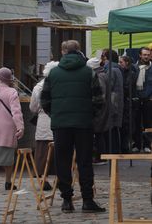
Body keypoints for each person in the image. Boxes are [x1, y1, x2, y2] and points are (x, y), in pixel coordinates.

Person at [41, 40, 105, 213]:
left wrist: (55, 115)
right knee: (84, 161)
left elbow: (44, 100)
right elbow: (99, 100)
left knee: (62, 161)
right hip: (83, 124)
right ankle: (87, 200)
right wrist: (90, 116)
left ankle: (67, 200)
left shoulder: (53, 74)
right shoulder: (88, 73)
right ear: (79, 51)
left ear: (63, 53)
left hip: (61, 124)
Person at [29, 60, 59, 190]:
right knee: (59, 152)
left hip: (43, 121)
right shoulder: (61, 85)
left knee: (42, 152)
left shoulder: (39, 87)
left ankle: (43, 179)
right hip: (59, 121)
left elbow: (33, 107)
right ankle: (60, 178)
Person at [86, 56, 109, 164]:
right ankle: (101, 156)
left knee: (98, 133)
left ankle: (100, 157)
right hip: (103, 108)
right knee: (100, 133)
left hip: (99, 109)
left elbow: (101, 94)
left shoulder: (98, 77)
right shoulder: (103, 74)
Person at [102, 49, 124, 154]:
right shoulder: (117, 68)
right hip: (116, 102)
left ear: (106, 58)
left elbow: (108, 86)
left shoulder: (111, 69)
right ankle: (115, 150)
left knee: (111, 129)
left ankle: (113, 152)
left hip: (112, 103)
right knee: (114, 128)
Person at [133, 47, 152, 153]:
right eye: (144, 54)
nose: (146, 56)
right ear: (140, 55)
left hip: (148, 99)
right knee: (136, 123)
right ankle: (137, 144)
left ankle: (147, 144)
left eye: (148, 54)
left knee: (148, 123)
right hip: (136, 98)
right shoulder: (135, 67)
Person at [118, 55, 137, 153]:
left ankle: (126, 147)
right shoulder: (124, 72)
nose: (119, 64)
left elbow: (127, 87)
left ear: (127, 63)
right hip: (126, 101)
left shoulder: (131, 73)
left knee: (126, 125)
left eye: (121, 62)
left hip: (128, 102)